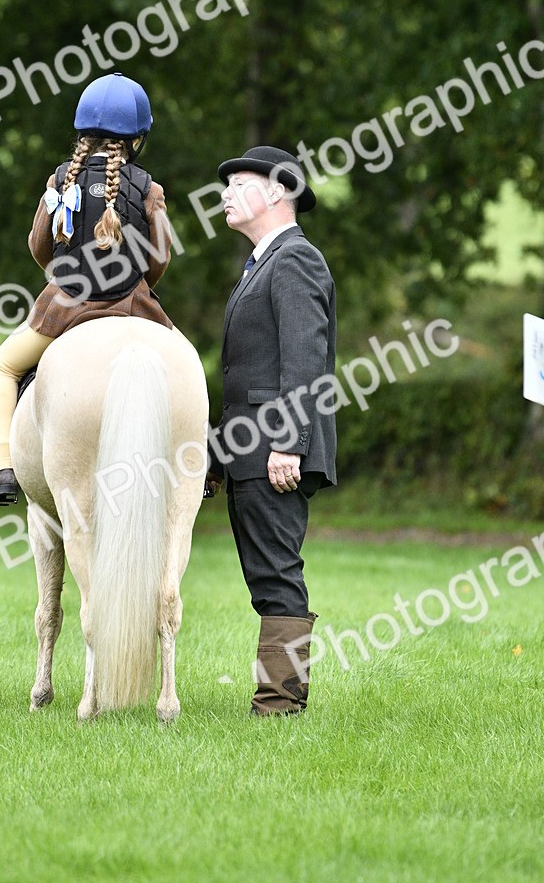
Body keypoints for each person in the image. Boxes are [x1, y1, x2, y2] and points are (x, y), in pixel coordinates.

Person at [0, 72, 173, 505]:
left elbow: (40, 248)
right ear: (137, 139)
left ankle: (3, 468)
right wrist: (137, 289)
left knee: (2, 367)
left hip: (65, 306)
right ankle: (209, 457)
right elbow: (159, 259)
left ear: (84, 133)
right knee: (185, 366)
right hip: (134, 305)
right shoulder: (149, 188)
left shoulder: (61, 182)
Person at [206, 145, 337, 716]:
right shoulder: (263, 262)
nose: (226, 193)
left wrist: (288, 441)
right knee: (265, 572)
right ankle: (278, 697)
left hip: (274, 448)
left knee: (277, 571)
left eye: (240, 183)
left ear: (278, 191)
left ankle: (281, 704)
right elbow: (245, 371)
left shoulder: (296, 260)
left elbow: (303, 359)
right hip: (247, 448)